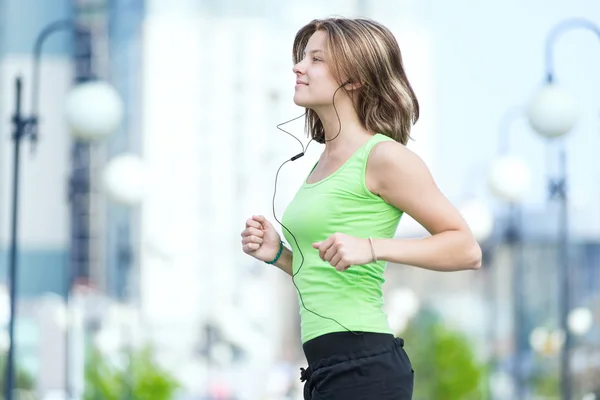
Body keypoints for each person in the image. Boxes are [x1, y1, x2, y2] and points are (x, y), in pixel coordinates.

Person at [240, 17, 482, 400]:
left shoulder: (384, 157)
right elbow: (329, 274)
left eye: (315, 59)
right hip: (323, 370)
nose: (298, 67)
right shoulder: (321, 164)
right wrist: (280, 256)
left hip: (364, 366)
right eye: (302, 58)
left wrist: (372, 246)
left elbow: (466, 249)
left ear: (353, 79)